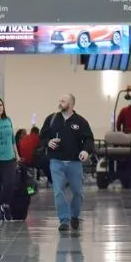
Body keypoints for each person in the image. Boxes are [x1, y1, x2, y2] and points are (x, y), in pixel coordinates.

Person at [39, 94, 95, 232]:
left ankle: (74, 215)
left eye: (63, 101)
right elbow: (42, 137)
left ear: (71, 104)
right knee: (58, 191)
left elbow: (89, 139)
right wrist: (48, 142)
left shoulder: (80, 122)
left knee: (78, 192)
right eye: (59, 100)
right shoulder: (52, 119)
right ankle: (63, 219)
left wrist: (86, 151)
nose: (60, 103)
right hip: (56, 161)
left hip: (74, 162)